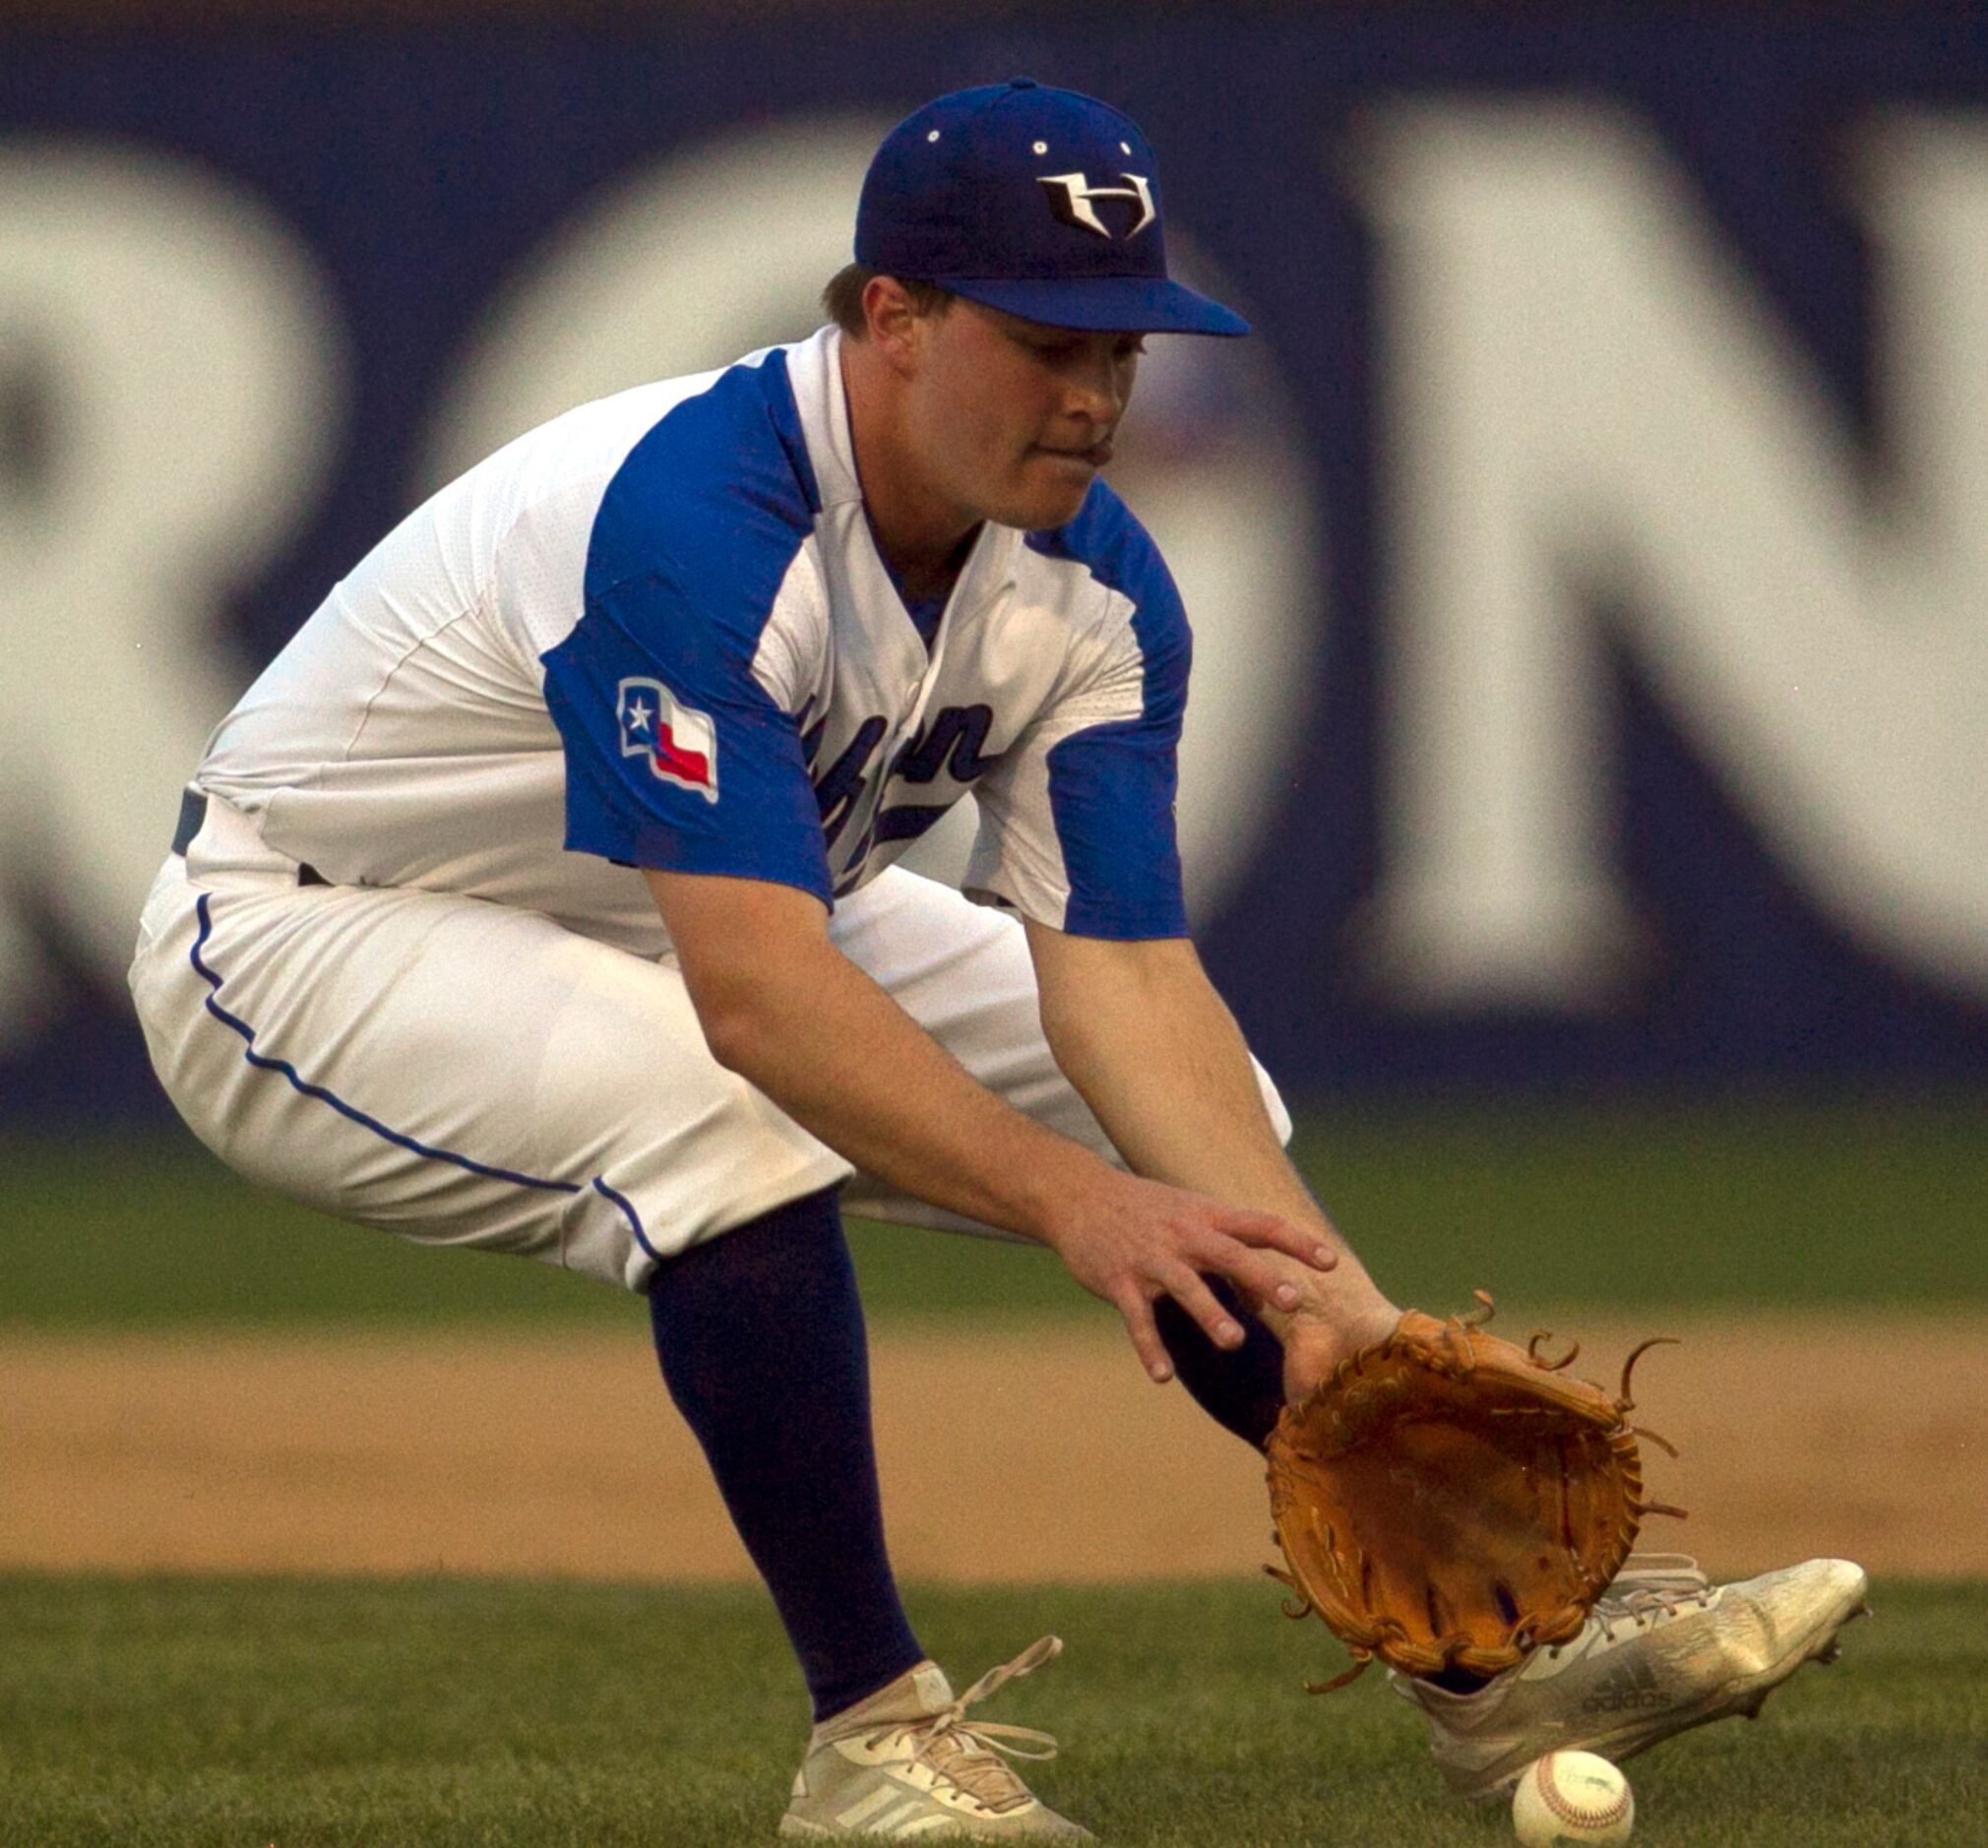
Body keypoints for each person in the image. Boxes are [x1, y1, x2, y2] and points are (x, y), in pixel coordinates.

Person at [130, 80, 1866, 1842]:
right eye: (1048, 342)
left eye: (1125, 348)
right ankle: (871, 1742)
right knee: (732, 1130)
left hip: (668, 887)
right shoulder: (689, 524)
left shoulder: (1094, 589)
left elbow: (1122, 977)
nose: (1098, 395)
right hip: (306, 924)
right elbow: (755, 996)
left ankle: (1501, 1671)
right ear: (891, 318)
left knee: (1221, 1144)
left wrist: (1324, 1292)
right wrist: (1072, 1204)